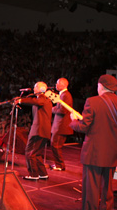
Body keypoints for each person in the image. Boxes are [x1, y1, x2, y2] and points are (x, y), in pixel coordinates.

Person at [69, 74, 117, 210]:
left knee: (91, 190)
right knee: (108, 189)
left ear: (101, 86)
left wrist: (73, 121)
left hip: (94, 155)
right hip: (112, 155)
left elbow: (83, 127)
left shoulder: (93, 101)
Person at [17, 81, 52, 180]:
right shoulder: (46, 100)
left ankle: (33, 174)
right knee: (37, 153)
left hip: (38, 130)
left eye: (36, 87)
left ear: (42, 89)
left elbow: (37, 102)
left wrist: (21, 101)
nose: (34, 88)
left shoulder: (42, 98)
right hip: (43, 130)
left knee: (30, 152)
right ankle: (42, 173)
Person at [50, 78, 73, 171]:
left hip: (61, 126)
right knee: (55, 145)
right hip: (59, 125)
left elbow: (63, 110)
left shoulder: (65, 95)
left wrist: (51, 109)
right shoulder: (63, 95)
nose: (56, 85)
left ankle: (59, 165)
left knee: (55, 145)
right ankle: (59, 164)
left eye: (57, 83)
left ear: (63, 85)